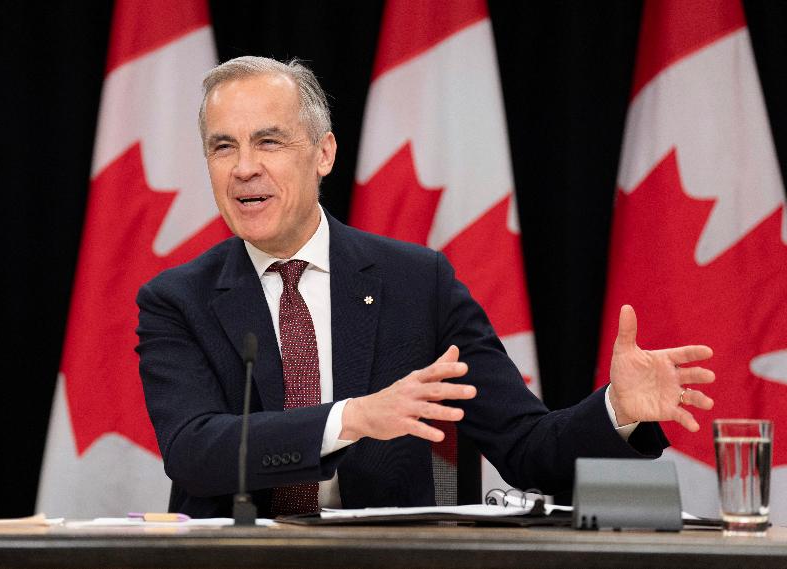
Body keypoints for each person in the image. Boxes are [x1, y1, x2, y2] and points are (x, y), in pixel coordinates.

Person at [135, 56, 715, 518]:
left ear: (324, 153)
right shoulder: (177, 300)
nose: (243, 168)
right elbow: (193, 452)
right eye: (223, 147)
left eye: (268, 142)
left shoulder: (418, 284)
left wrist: (617, 408)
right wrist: (353, 418)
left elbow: (527, 448)